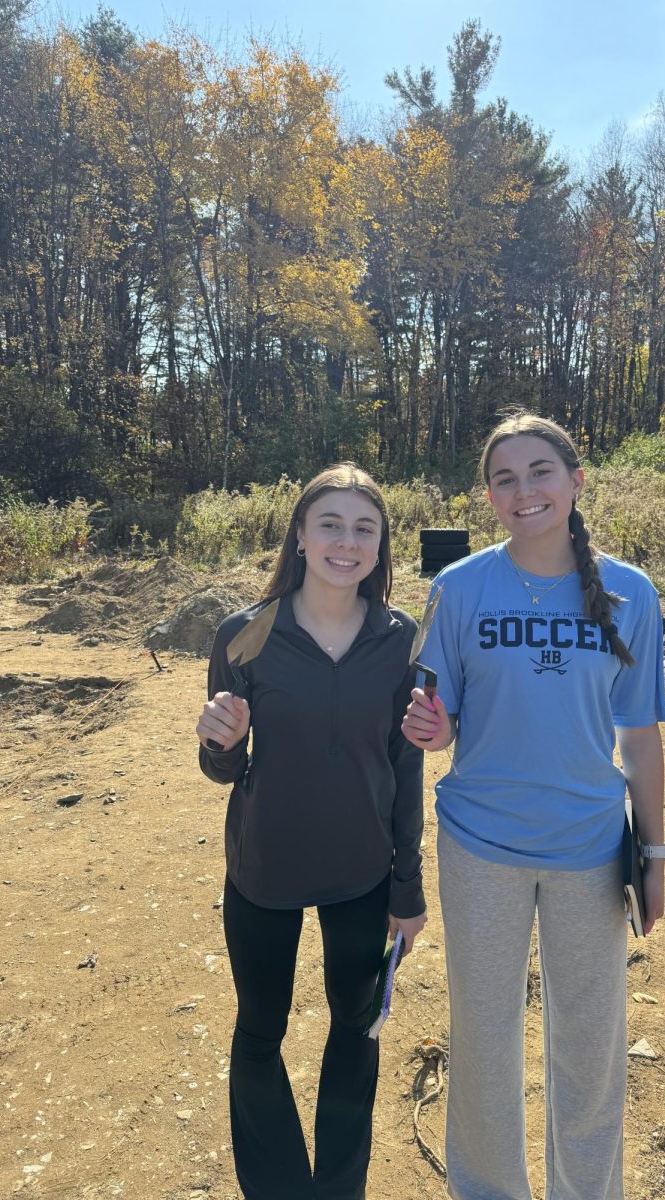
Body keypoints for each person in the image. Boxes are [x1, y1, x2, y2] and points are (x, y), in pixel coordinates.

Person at [402, 413, 665, 1200]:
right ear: (489, 495)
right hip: (480, 846)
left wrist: (654, 856)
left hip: (590, 847)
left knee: (589, 1047)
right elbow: (439, 723)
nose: (525, 491)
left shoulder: (630, 592)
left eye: (541, 472)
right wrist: (432, 726)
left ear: (576, 482)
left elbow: (642, 737)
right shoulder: (457, 589)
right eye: (506, 478)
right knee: (484, 1040)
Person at [197, 464, 427, 1200]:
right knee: (260, 1033)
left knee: (355, 1032)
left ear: (381, 542)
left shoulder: (400, 638)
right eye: (329, 523)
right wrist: (220, 743)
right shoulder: (245, 634)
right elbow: (224, 770)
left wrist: (408, 884)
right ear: (299, 534)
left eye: (364, 527)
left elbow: (406, 765)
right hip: (264, 869)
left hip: (362, 872)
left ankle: (337, 1189)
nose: (346, 541)